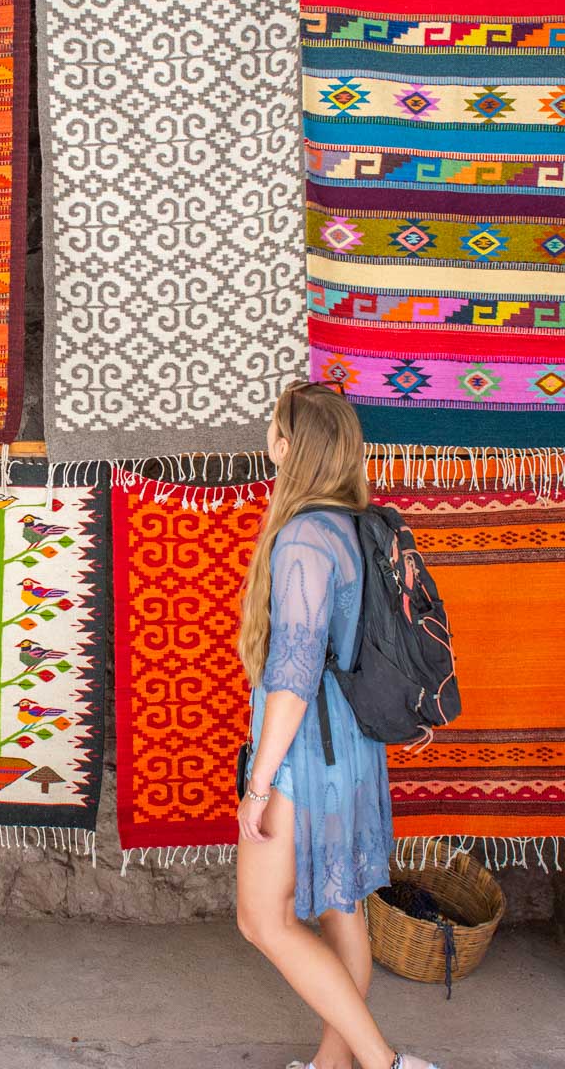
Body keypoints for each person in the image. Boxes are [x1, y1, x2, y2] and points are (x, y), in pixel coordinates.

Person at [236, 381, 438, 1069]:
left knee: (261, 918)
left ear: (287, 448)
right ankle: (334, 1066)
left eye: (274, 431)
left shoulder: (301, 539)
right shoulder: (359, 527)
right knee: (341, 908)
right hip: (351, 749)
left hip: (304, 755)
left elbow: (292, 674)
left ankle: (383, 1064)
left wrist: (258, 783)